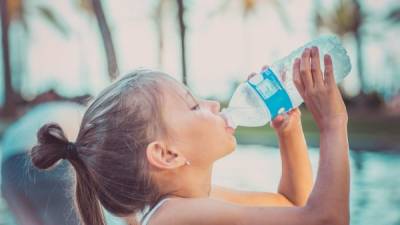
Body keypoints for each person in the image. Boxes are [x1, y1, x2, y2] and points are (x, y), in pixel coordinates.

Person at [30, 47, 350, 225]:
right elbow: (326, 221)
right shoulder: (175, 217)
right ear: (167, 154)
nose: (213, 105)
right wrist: (333, 123)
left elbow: (292, 206)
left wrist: (289, 132)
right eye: (194, 105)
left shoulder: (191, 204)